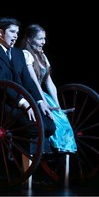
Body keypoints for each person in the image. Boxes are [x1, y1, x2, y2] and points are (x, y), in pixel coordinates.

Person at [0, 16, 56, 153]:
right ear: (1, 33)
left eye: (17, 32)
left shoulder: (18, 53)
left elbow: (28, 81)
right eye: (12, 32)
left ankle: (30, 153)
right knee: (35, 127)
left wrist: (40, 101)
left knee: (50, 126)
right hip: (4, 103)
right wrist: (23, 102)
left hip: (23, 102)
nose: (16, 36)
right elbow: (0, 84)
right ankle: (23, 159)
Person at [19, 23, 77, 154]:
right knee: (55, 121)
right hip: (33, 93)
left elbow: (49, 83)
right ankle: (54, 147)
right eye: (40, 39)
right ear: (29, 39)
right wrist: (43, 102)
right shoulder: (26, 54)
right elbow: (34, 82)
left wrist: (57, 106)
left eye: (44, 39)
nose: (44, 42)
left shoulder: (42, 56)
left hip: (44, 95)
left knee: (62, 119)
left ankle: (64, 156)